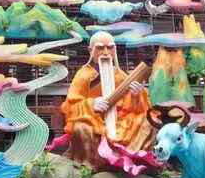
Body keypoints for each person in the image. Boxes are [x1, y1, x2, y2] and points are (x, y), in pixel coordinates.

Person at [60, 32, 154, 168]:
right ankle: (90, 166)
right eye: (100, 48)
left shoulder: (119, 75)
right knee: (81, 128)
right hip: (93, 120)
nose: (105, 52)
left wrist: (136, 95)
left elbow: (135, 107)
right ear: (90, 50)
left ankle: (129, 161)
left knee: (147, 122)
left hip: (118, 120)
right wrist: (91, 104)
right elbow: (70, 107)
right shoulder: (83, 75)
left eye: (110, 47)